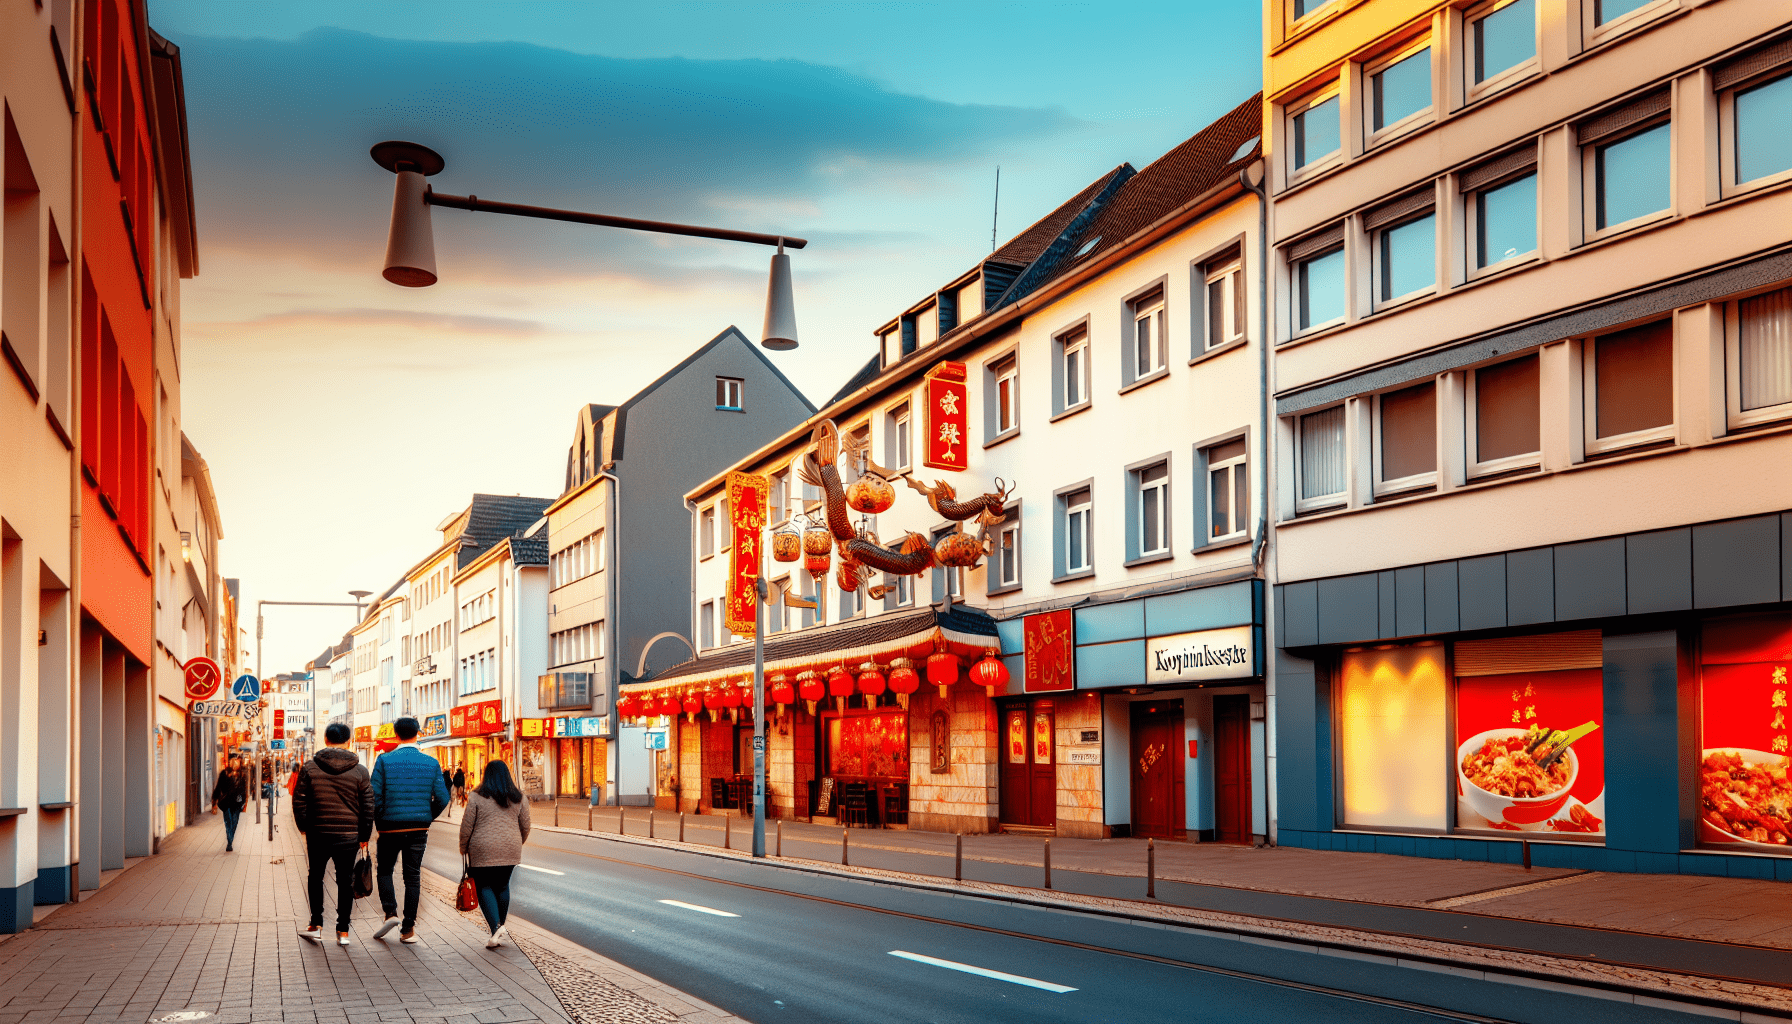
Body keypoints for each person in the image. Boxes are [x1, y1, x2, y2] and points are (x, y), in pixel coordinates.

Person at [369, 717, 450, 943]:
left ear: (395, 735)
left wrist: (382, 817)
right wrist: (427, 817)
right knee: (412, 877)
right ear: (418, 734)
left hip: (389, 829)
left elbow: (375, 795)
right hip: (418, 828)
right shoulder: (431, 763)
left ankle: (390, 912)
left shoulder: (384, 760)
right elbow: (443, 798)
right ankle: (408, 930)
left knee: (384, 870)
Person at [292, 722, 373, 946]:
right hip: (349, 836)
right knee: (346, 880)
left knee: (315, 876)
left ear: (326, 740)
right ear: (348, 741)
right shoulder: (360, 771)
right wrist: (364, 835)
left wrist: (304, 827)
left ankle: (316, 924)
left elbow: (299, 801)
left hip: (318, 834)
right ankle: (343, 931)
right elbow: (368, 807)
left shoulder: (310, 767)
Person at [458, 760, 530, 948]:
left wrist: (463, 847)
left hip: (482, 849)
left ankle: (497, 927)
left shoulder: (475, 796)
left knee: (484, 887)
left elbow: (467, 825)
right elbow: (526, 826)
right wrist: (515, 842)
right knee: (503, 886)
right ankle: (499, 928)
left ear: (486, 775)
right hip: (510, 848)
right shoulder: (520, 797)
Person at [211, 758, 248, 852]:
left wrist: (244, 803)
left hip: (237, 803)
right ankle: (229, 842)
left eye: (236, 763)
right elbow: (218, 787)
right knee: (228, 822)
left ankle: (230, 840)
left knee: (234, 823)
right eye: (233, 763)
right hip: (226, 803)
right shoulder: (224, 774)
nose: (235, 765)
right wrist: (214, 801)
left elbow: (244, 789)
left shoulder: (242, 775)